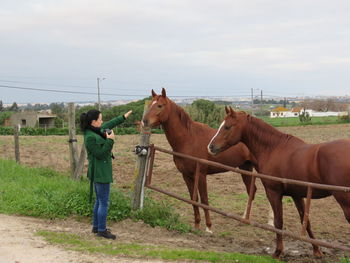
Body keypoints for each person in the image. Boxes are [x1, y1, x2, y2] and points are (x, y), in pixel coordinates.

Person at [80, 109, 132, 239]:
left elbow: (110, 123)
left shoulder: (94, 130)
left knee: (99, 200)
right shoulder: (90, 137)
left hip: (99, 171)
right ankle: (102, 230)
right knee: (103, 202)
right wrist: (110, 140)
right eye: (100, 119)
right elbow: (100, 153)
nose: (102, 121)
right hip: (100, 172)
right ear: (94, 122)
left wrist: (123, 116)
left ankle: (96, 227)